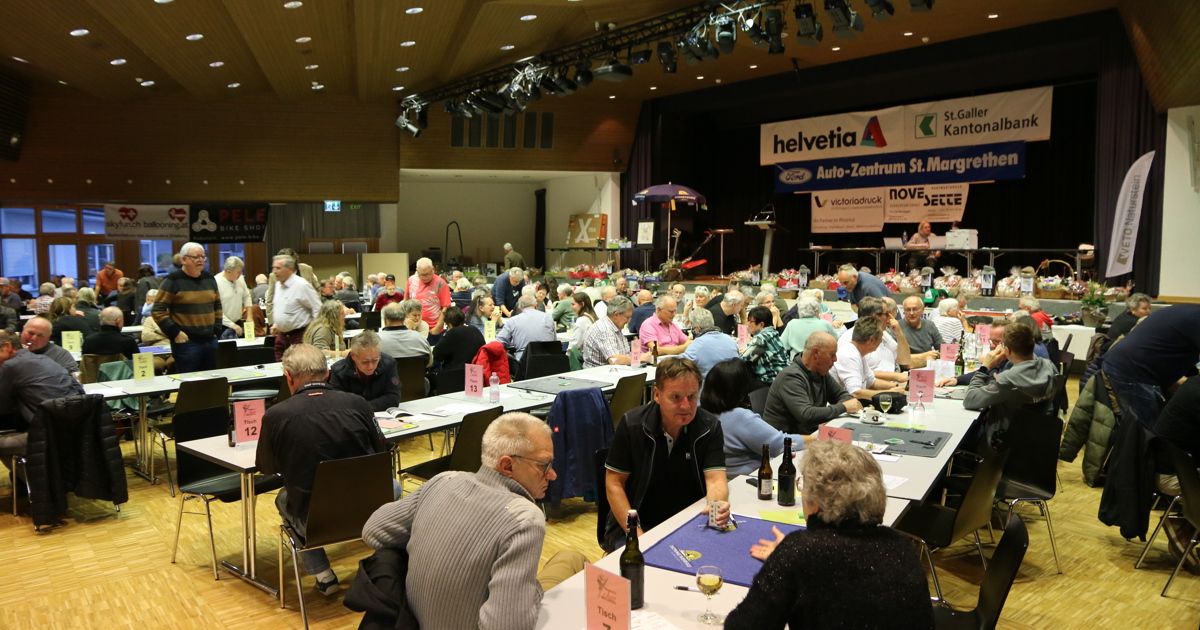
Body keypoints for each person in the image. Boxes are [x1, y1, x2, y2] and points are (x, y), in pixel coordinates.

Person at [363, 412, 587, 629]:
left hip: (413, 620)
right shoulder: (524, 520)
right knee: (575, 562)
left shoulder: (442, 481)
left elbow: (374, 529)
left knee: (571, 559)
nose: (553, 474)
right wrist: (533, 591)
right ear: (507, 465)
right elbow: (506, 625)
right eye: (543, 465)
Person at [725, 439, 934, 629]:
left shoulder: (800, 551)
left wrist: (784, 560)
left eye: (803, 485)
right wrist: (787, 559)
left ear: (815, 499)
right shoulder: (902, 545)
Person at [256, 343, 390, 596]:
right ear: (327, 374)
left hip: (317, 520)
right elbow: (381, 450)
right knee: (393, 486)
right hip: (368, 508)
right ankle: (388, 562)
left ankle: (323, 575)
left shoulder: (275, 416)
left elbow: (268, 468)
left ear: (288, 377)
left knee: (284, 498)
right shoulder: (358, 404)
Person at [603, 359, 729, 550]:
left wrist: (715, 511)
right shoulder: (632, 425)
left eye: (692, 396)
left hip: (687, 520)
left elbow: (715, 480)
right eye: (676, 397)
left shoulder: (709, 427)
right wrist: (637, 536)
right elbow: (614, 483)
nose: (686, 406)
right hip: (636, 524)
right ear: (657, 394)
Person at [1102, 305, 1200, 432]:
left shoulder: (1190, 312)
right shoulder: (1195, 318)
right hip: (1133, 371)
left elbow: (1179, 350)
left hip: (1130, 365)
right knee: (1146, 433)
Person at [702, 358, 807, 476]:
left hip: (719, 479)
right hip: (747, 481)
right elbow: (778, 444)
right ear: (740, 389)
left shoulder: (703, 414)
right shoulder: (739, 417)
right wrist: (814, 439)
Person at [963, 320, 1057, 448]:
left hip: (1002, 438)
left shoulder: (1008, 380)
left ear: (1006, 350)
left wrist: (985, 367)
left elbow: (970, 399)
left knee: (966, 431)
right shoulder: (1049, 366)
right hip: (1036, 436)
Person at [0, 331, 86, 468]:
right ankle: (34, 481)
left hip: (49, 435)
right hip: (78, 429)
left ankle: (37, 483)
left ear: (6, 346)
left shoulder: (10, 366)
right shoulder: (42, 359)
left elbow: (2, 407)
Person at [763, 332, 861, 434]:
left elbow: (844, 396)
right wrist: (844, 407)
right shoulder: (790, 377)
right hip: (787, 443)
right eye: (832, 355)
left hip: (811, 435)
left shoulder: (821, 372)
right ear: (816, 353)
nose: (835, 359)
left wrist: (844, 405)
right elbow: (806, 415)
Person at [152, 242, 224, 373]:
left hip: (210, 340)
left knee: (212, 381)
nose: (201, 260)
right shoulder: (172, 280)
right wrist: (175, 332)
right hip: (187, 343)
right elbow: (158, 310)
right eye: (196, 257)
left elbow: (217, 305)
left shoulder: (209, 278)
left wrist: (217, 328)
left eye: (203, 256)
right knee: (190, 385)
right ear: (183, 259)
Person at [834, 315, 906, 401]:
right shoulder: (849, 355)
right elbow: (855, 393)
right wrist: (888, 393)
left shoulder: (859, 352)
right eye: (880, 338)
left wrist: (895, 387)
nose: (881, 342)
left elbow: (871, 382)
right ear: (871, 340)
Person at [328, 330, 400, 411]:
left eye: (375, 360)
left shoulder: (389, 364)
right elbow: (337, 403)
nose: (370, 367)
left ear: (379, 354)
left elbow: (393, 398)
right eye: (365, 362)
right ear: (353, 356)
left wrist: (365, 407)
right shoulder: (338, 371)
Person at [268, 254, 322, 361]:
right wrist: (276, 324)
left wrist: (312, 332)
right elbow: (280, 307)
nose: (274, 271)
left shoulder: (301, 285)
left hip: (298, 336)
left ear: (289, 269)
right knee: (280, 370)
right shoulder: (278, 284)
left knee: (298, 370)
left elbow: (318, 308)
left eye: (278, 268)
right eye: (273, 268)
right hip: (281, 336)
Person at [581, 295, 650, 369]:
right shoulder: (604, 329)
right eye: (627, 317)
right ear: (616, 314)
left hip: (611, 372)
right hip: (598, 375)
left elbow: (623, 355)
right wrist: (640, 359)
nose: (629, 321)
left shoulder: (614, 326)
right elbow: (614, 360)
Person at [679, 308, 740, 382]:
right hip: (733, 385)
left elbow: (679, 364)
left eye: (692, 326)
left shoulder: (697, 345)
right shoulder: (730, 340)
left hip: (709, 388)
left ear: (697, 328)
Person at [264, 248, 320, 321]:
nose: (275, 270)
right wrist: (272, 322)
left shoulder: (306, 270)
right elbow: (270, 301)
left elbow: (317, 289)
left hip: (306, 321)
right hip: (285, 322)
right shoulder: (274, 277)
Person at [496, 294, 556, 362]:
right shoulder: (548, 318)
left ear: (519, 307)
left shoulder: (513, 321)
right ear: (536, 304)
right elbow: (554, 342)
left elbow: (499, 342)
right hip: (549, 362)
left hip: (524, 364)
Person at [742, 305, 790, 384]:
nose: (748, 324)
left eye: (751, 322)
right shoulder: (773, 333)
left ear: (761, 324)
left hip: (771, 382)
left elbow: (743, 360)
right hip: (784, 378)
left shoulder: (761, 338)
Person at [407, 257, 452, 339]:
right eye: (422, 275)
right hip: (413, 328)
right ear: (417, 270)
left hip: (433, 328)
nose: (425, 277)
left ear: (433, 269)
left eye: (428, 274)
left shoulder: (441, 283)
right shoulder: (411, 280)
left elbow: (445, 307)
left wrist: (438, 327)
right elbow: (405, 302)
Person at [431, 306, 484, 373]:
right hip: (477, 374)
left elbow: (436, 354)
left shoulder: (452, 333)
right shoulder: (474, 330)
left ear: (449, 324)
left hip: (456, 376)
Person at [897, 294, 942, 367]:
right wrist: (925, 356)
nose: (911, 313)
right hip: (906, 370)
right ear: (904, 311)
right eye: (908, 310)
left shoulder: (929, 325)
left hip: (928, 368)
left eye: (915, 309)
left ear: (922, 310)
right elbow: (898, 358)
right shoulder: (897, 327)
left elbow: (941, 348)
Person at [215, 256, 252, 338]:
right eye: (238, 272)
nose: (241, 275)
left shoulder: (241, 279)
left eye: (241, 272)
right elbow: (216, 310)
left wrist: (249, 316)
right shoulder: (216, 282)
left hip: (238, 321)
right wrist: (232, 325)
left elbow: (246, 296)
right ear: (228, 271)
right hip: (223, 325)